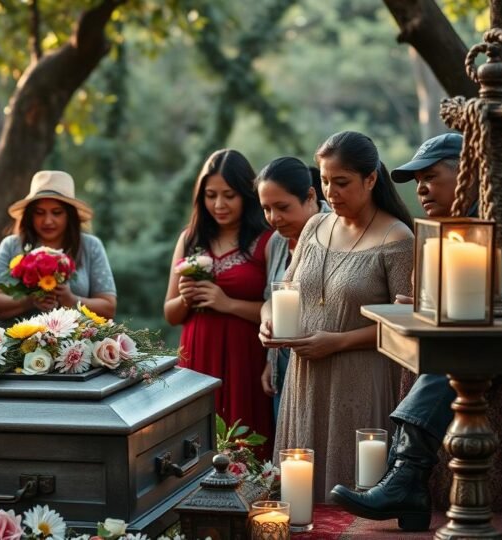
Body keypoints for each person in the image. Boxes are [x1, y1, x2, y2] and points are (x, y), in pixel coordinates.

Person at [330, 132, 502, 530]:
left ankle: (405, 479)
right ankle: (406, 482)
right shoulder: (447, 219)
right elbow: (441, 290)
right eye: (415, 181)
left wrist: (466, 265)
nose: (420, 189)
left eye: (429, 176)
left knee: (456, 355)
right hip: (479, 340)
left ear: (469, 172)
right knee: (441, 350)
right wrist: (427, 300)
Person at [260, 131, 415, 502]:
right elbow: (283, 290)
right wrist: (268, 320)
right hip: (305, 377)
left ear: (371, 179)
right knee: (300, 493)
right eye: (326, 181)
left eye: (342, 182)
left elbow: (406, 326)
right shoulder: (314, 226)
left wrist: (338, 341)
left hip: (361, 378)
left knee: (353, 487)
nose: (331, 192)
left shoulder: (397, 239)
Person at [164, 149, 273, 453]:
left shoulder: (267, 240)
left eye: (229, 195)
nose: (219, 204)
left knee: (245, 440)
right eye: (211, 195)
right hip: (198, 353)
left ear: (246, 194)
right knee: (197, 441)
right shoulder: (190, 238)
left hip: (246, 356)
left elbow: (281, 312)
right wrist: (186, 299)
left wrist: (227, 304)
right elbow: (170, 313)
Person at [0, 170, 117, 327]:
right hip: (14, 347)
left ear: (70, 215)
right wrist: (29, 301)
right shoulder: (11, 245)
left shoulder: (91, 246)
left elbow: (108, 308)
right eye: (39, 213)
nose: (47, 221)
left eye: (57, 213)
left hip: (76, 347)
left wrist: (71, 300)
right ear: (30, 215)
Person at [255, 157, 330, 424]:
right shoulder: (277, 241)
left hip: (324, 367)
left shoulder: (336, 233)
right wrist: (270, 355)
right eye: (266, 209)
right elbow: (270, 299)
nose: (274, 218)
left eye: (282, 207)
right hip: (283, 367)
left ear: (310, 196)